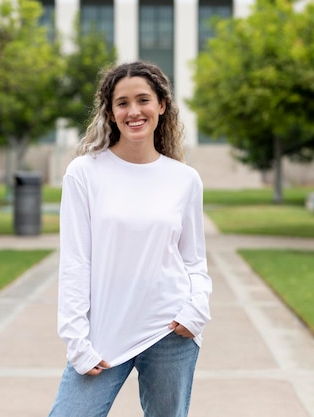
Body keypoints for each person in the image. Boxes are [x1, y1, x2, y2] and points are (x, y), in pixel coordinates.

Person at [48, 60, 212, 417]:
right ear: (110, 111)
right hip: (103, 335)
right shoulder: (84, 173)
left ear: (162, 105)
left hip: (171, 330)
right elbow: (76, 263)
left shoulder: (184, 179)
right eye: (122, 103)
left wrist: (196, 309)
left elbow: (193, 260)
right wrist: (76, 340)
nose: (133, 111)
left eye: (143, 100)